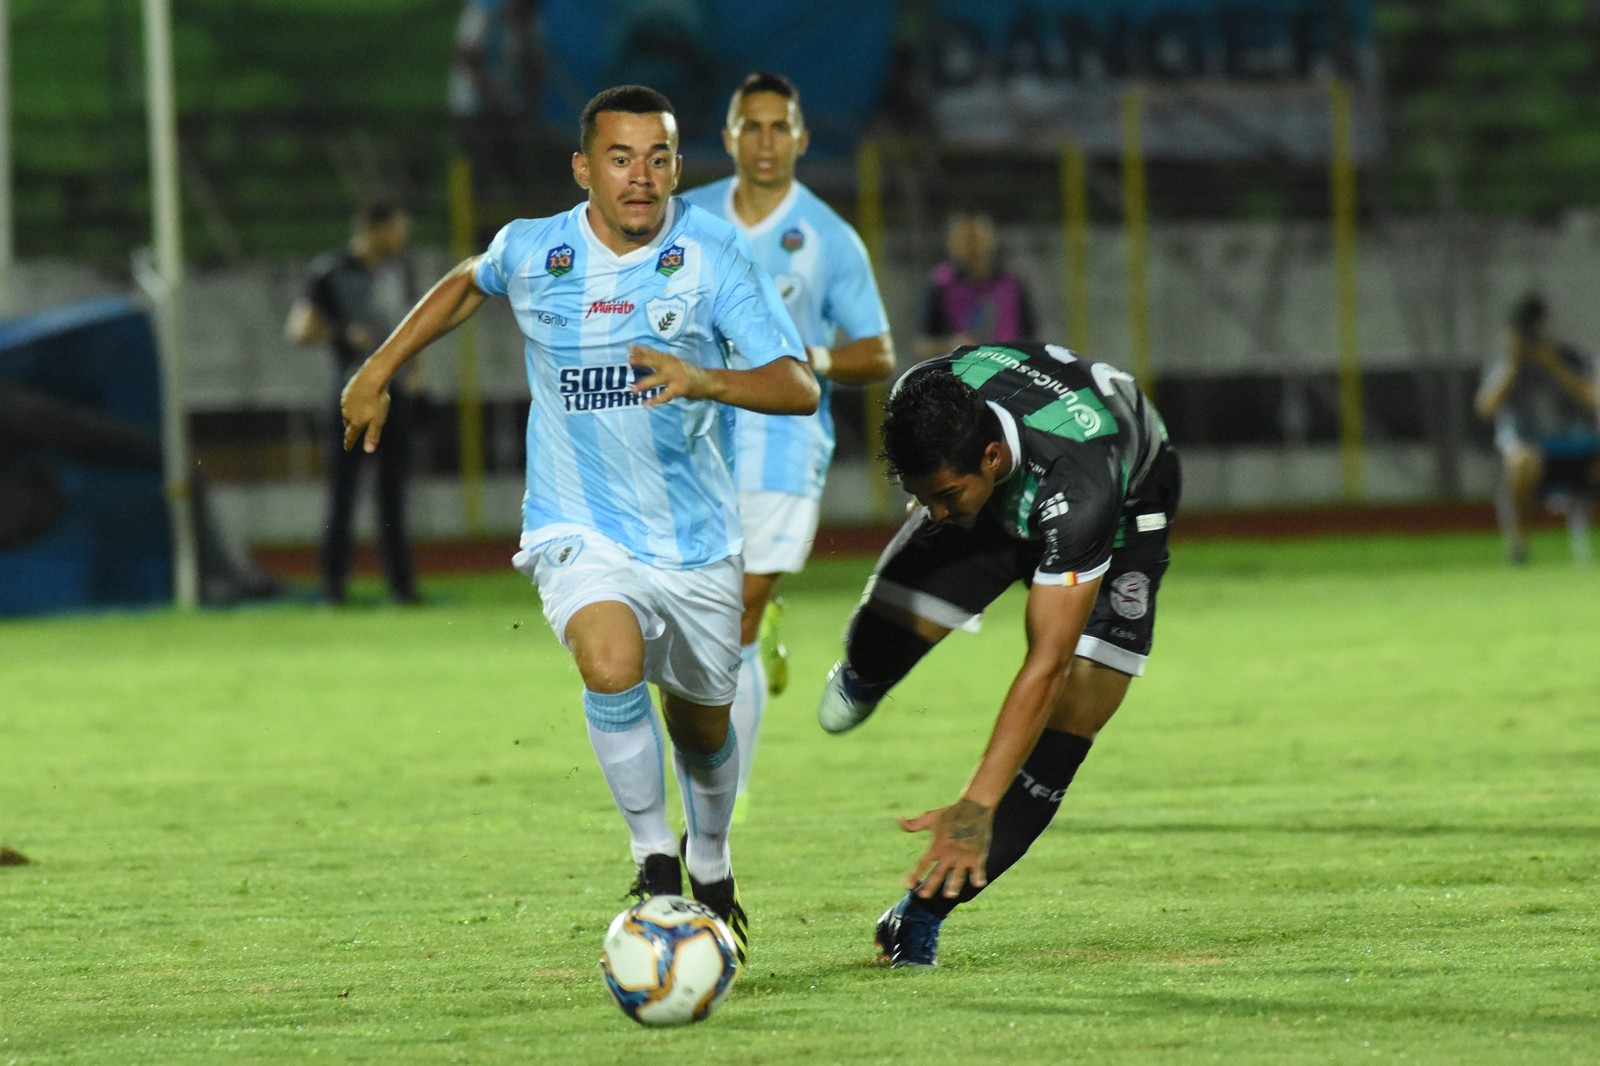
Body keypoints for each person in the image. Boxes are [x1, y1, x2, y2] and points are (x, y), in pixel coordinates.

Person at [339, 84, 818, 966]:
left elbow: (798, 386)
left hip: (696, 542)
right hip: (576, 524)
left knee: (704, 727)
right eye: (621, 158)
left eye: (659, 158)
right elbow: (463, 284)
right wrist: (378, 367)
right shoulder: (537, 249)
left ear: (678, 164)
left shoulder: (711, 257)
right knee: (608, 660)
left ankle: (711, 863)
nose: (642, 178)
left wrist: (706, 378)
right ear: (584, 168)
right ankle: (655, 866)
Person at [815, 342, 1181, 968]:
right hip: (1003, 496)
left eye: (944, 494)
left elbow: (1046, 666)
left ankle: (920, 916)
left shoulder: (1083, 482)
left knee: (1069, 723)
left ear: (990, 456)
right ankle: (867, 673)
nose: (931, 511)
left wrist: (977, 803)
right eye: (919, 495)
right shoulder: (926, 396)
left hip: (1123, 515)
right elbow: (941, 489)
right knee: (874, 651)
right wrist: (947, 501)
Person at [680, 71, 895, 817]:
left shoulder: (829, 238)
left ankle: (718, 809)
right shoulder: (689, 219)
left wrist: (817, 360)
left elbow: (877, 352)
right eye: (752, 126)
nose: (766, 141)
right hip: (693, 441)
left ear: (801, 139)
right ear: (729, 137)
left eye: (780, 127)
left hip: (781, 443)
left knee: (726, 620)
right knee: (687, 621)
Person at [286, 201, 423, 607]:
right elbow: (300, 328)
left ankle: (402, 589)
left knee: (393, 495)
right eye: (397, 228)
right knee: (342, 496)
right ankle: (333, 589)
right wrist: (344, 335)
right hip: (354, 396)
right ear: (375, 229)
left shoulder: (401, 270)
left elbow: (418, 323)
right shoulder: (330, 271)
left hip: (396, 395)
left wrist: (416, 375)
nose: (402, 237)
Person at [1474, 294, 1599, 564]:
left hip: (1578, 449)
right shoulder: (1506, 363)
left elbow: (1592, 399)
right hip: (1531, 452)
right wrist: (1514, 363)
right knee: (1521, 463)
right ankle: (1519, 547)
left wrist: (1552, 363)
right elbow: (1486, 407)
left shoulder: (1570, 356)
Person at [448, 0, 546, 200]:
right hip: (474, 111)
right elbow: (468, 57)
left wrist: (527, 103)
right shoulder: (484, 17)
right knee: (481, 171)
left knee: (515, 170)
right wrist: (493, 97)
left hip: (509, 112)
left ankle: (515, 216)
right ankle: (479, 226)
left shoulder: (528, 27)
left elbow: (534, 67)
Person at [916, 212, 1037, 360]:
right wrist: (951, 345)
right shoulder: (941, 284)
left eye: (978, 238)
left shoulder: (1013, 282)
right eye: (967, 240)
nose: (974, 247)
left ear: (991, 239)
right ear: (953, 244)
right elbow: (924, 345)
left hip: (1007, 374)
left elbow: (1032, 338)